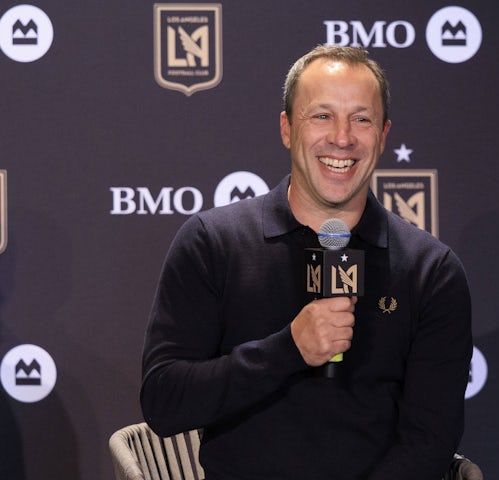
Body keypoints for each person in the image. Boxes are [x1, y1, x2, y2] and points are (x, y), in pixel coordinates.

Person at [140, 45, 472, 480]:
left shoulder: (431, 271)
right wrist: (287, 349)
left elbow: (430, 440)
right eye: (321, 116)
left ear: (384, 135)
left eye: (362, 118)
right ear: (286, 128)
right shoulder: (212, 243)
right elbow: (164, 403)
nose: (342, 137)